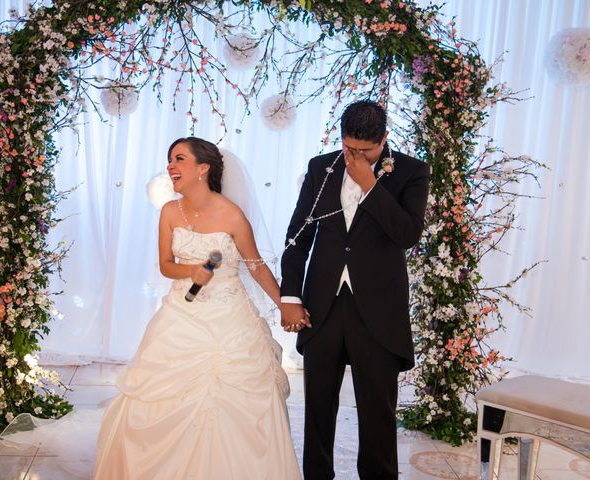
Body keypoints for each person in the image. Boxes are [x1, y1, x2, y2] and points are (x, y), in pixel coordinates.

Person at [93, 137, 301, 479]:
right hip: (181, 315)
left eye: (179, 159)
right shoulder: (169, 212)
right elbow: (164, 264)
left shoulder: (232, 215)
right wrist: (191, 271)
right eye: (169, 160)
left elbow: (256, 265)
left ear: (203, 168)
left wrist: (284, 306)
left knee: (233, 397)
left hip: (230, 317)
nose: (170, 166)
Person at [280, 100, 430, 479]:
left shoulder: (412, 172)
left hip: (378, 310)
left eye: (366, 151)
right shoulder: (321, 167)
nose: (355, 157)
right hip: (323, 306)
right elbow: (299, 236)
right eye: (350, 149)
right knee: (317, 409)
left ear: (384, 139)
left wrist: (370, 185)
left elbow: (407, 234)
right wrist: (290, 297)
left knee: (378, 413)